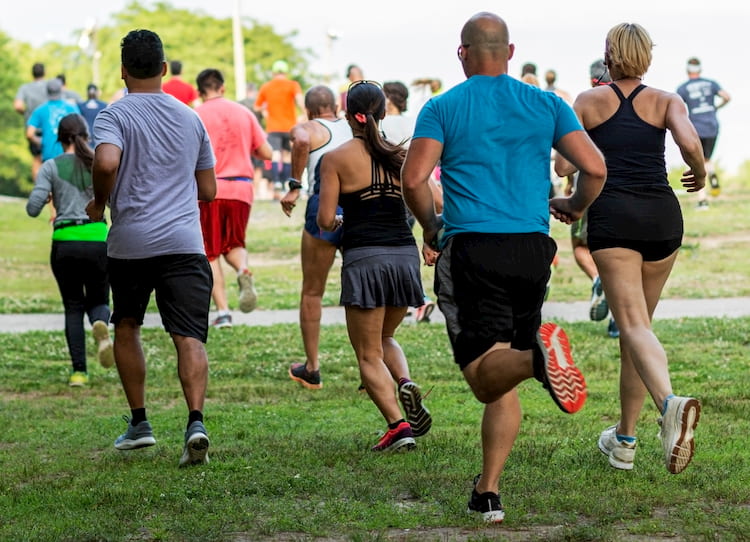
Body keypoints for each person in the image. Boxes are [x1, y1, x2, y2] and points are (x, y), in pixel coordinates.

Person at [402, 12, 606, 523]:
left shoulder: (443, 106)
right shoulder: (546, 103)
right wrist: (575, 206)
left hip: (474, 247)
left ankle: (538, 358)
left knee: (484, 378)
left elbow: (414, 180)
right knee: (503, 367)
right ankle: (487, 491)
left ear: (462, 53)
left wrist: (430, 225)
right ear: (510, 53)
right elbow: (596, 167)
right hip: (533, 250)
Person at [555, 23, 705, 475]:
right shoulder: (666, 100)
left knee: (634, 328)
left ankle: (670, 406)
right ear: (647, 57)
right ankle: (624, 442)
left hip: (614, 218)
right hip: (662, 217)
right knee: (638, 335)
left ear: (608, 55)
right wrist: (697, 172)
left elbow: (564, 162)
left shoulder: (587, 101)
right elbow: (690, 143)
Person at [86, 29, 217, 467]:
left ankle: (140, 423)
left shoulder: (113, 115)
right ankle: (195, 421)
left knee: (127, 325)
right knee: (189, 336)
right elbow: (210, 190)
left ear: (123, 71)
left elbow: (105, 161)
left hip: (131, 244)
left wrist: (100, 202)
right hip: (184, 243)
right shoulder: (191, 118)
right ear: (163, 68)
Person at [318, 80, 431, 451]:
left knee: (367, 353)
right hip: (403, 256)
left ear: (348, 114)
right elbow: (435, 200)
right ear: (382, 113)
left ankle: (398, 426)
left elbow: (323, 219)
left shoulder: (335, 159)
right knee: (384, 338)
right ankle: (404, 382)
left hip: (365, 258)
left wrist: (337, 221)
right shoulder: (401, 156)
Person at [26, 113, 114, 386]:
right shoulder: (98, 165)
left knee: (73, 307)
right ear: (86, 136)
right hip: (98, 239)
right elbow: (114, 202)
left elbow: (32, 208)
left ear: (59, 139)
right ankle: (100, 324)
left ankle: (79, 372)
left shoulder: (50, 167)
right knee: (99, 300)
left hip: (65, 243)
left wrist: (49, 196)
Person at [282, 85, 352, 390]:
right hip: (358, 207)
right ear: (335, 106)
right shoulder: (355, 125)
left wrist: (295, 184)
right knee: (361, 290)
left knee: (312, 291)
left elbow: (299, 139)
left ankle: (312, 368)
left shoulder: (310, 127)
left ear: (310, 110)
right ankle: (372, 365)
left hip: (323, 205)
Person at [195, 68, 272, 328]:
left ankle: (224, 313)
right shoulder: (244, 113)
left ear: (200, 91)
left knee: (210, 252)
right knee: (235, 243)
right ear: (223, 87)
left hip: (209, 189)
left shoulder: (196, 115)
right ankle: (242, 270)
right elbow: (267, 152)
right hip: (242, 189)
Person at [559, 59, 619, 338]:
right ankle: (618, 321)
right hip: (628, 194)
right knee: (623, 261)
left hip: (590, 192)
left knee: (581, 246)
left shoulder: (585, 106)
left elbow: (563, 165)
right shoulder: (637, 103)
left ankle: (597, 280)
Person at [381, 80, 440, 323]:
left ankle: (419, 299)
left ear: (389, 99)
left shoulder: (384, 125)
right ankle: (406, 300)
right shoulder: (413, 122)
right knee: (402, 246)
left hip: (391, 194)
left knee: (393, 250)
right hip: (413, 194)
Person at [676, 57, 731, 209]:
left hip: (696, 127)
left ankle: (702, 200)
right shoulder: (711, 83)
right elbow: (727, 96)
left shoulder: (683, 88)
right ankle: (712, 173)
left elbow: (676, 108)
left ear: (687, 70)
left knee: (698, 162)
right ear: (700, 69)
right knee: (707, 158)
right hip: (712, 125)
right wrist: (717, 108)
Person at [254, 60, 304, 194]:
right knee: (287, 156)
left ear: (273, 73)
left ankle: (276, 181)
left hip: (273, 127)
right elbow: (300, 101)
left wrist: (265, 111)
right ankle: (284, 183)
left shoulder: (266, 87)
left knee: (275, 155)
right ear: (286, 72)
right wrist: (305, 115)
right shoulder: (293, 85)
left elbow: (257, 106)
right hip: (290, 127)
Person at [26, 79, 81, 166]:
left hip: (48, 157)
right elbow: (80, 131)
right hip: (68, 156)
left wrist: (41, 141)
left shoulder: (40, 110)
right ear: (61, 91)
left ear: (47, 92)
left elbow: (29, 134)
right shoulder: (72, 108)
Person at [14, 62, 48, 179]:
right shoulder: (49, 87)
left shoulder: (25, 88)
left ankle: (39, 191)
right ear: (45, 72)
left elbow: (18, 105)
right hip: (48, 127)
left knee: (36, 159)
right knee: (50, 159)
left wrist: (27, 114)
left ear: (32, 74)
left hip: (32, 129)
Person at [77, 84, 108, 148]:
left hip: (85, 138)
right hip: (99, 137)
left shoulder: (80, 106)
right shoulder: (104, 105)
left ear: (87, 93)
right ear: (96, 93)